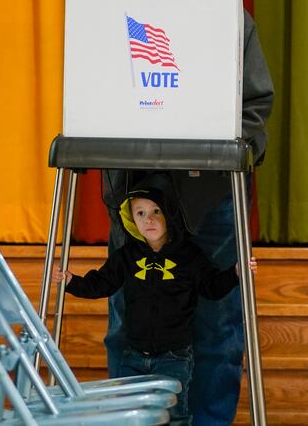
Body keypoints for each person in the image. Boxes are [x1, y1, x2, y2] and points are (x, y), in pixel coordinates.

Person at [101, 0, 275, 425]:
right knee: (129, 323)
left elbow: (255, 109)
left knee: (216, 325)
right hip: (137, 201)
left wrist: (224, 149)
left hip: (207, 198)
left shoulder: (230, 21)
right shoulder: (113, 19)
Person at [57, 173, 257, 425]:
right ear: (132, 218)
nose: (148, 220)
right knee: (134, 404)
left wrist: (234, 274)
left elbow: (212, 287)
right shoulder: (127, 256)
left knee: (176, 410)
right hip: (134, 355)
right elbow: (103, 282)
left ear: (168, 216)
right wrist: (72, 282)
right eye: (140, 214)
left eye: (155, 212)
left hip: (174, 356)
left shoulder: (189, 257)